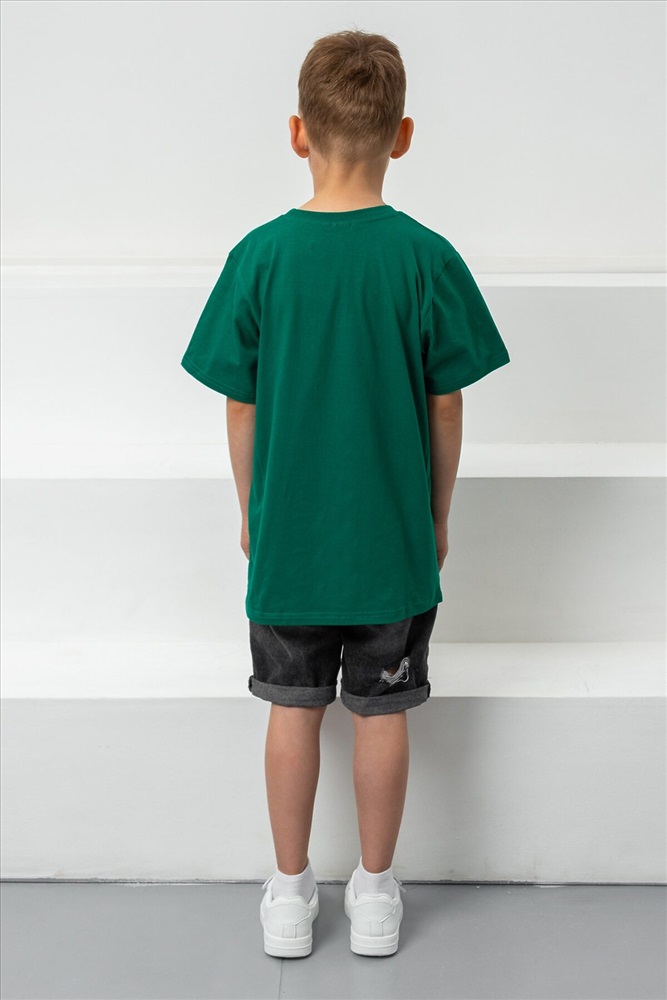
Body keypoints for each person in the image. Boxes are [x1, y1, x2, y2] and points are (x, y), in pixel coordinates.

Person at [180, 28, 510, 959]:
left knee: (291, 710)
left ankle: (290, 892)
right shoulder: (425, 257)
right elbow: (445, 405)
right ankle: (373, 891)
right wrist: (434, 517)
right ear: (401, 136)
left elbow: (239, 406)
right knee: (382, 716)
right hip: (390, 546)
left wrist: (252, 510)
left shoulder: (259, 257)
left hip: (289, 543)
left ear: (297, 133)